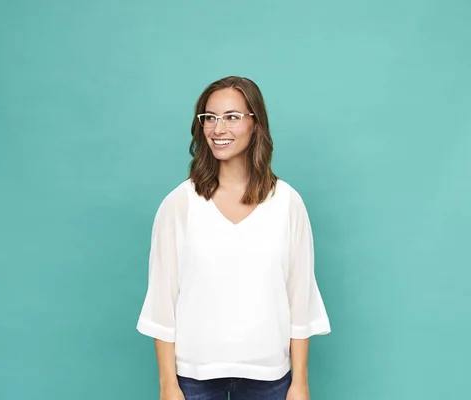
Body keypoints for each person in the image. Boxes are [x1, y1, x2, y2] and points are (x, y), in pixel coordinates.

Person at [136, 76, 331, 400]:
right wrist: (168, 385)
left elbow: (300, 297)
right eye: (209, 118)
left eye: (231, 117)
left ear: (256, 124)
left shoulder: (287, 203)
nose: (217, 128)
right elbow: (162, 300)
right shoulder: (180, 204)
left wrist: (300, 383)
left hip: (270, 377)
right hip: (193, 377)